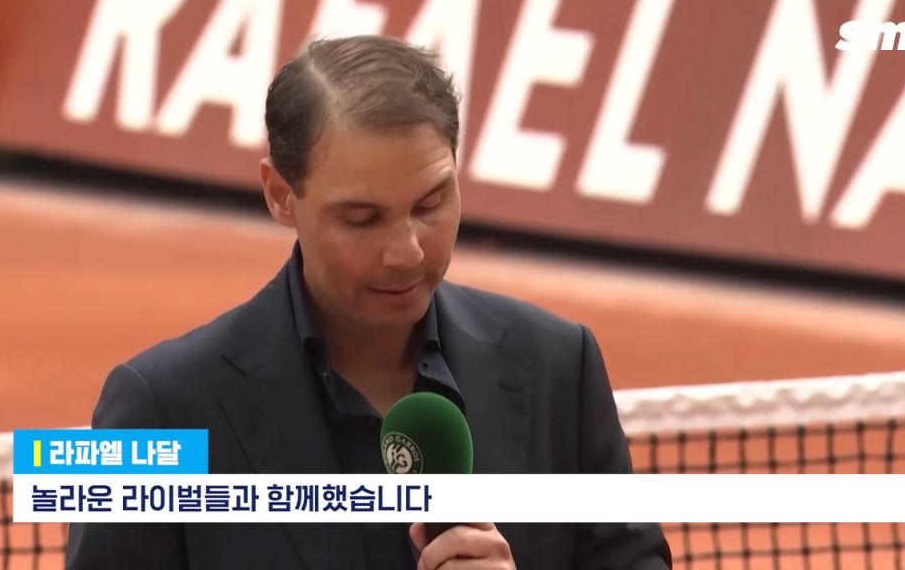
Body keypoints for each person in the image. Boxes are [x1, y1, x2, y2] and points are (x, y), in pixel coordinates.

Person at [65, 34, 672, 570]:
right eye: (361, 218)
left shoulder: (562, 364)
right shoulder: (152, 407)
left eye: (431, 204)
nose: (406, 252)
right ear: (280, 195)